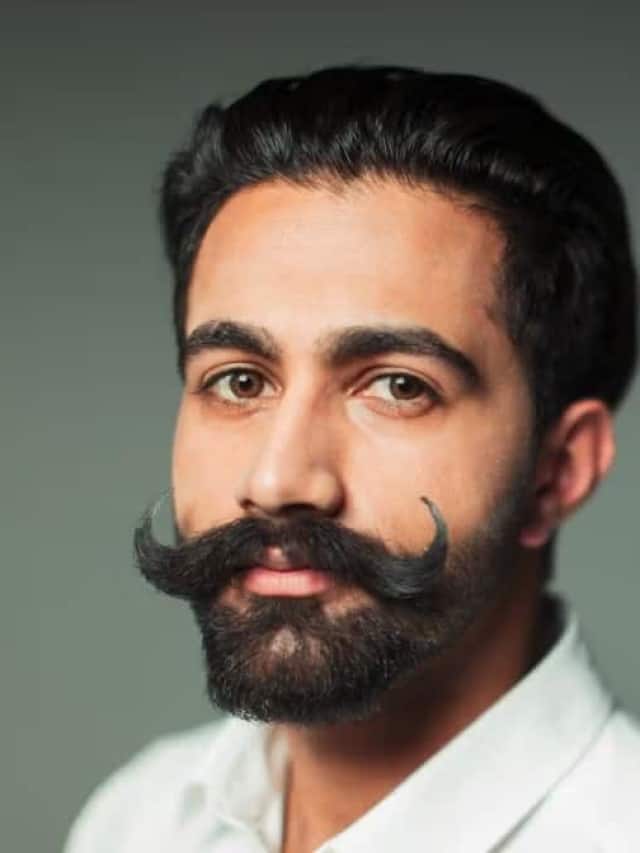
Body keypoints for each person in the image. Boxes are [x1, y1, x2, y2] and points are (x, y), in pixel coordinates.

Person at [65, 65, 640, 852]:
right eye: (239, 380)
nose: (277, 480)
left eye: (398, 386)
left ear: (559, 470)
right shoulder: (137, 819)